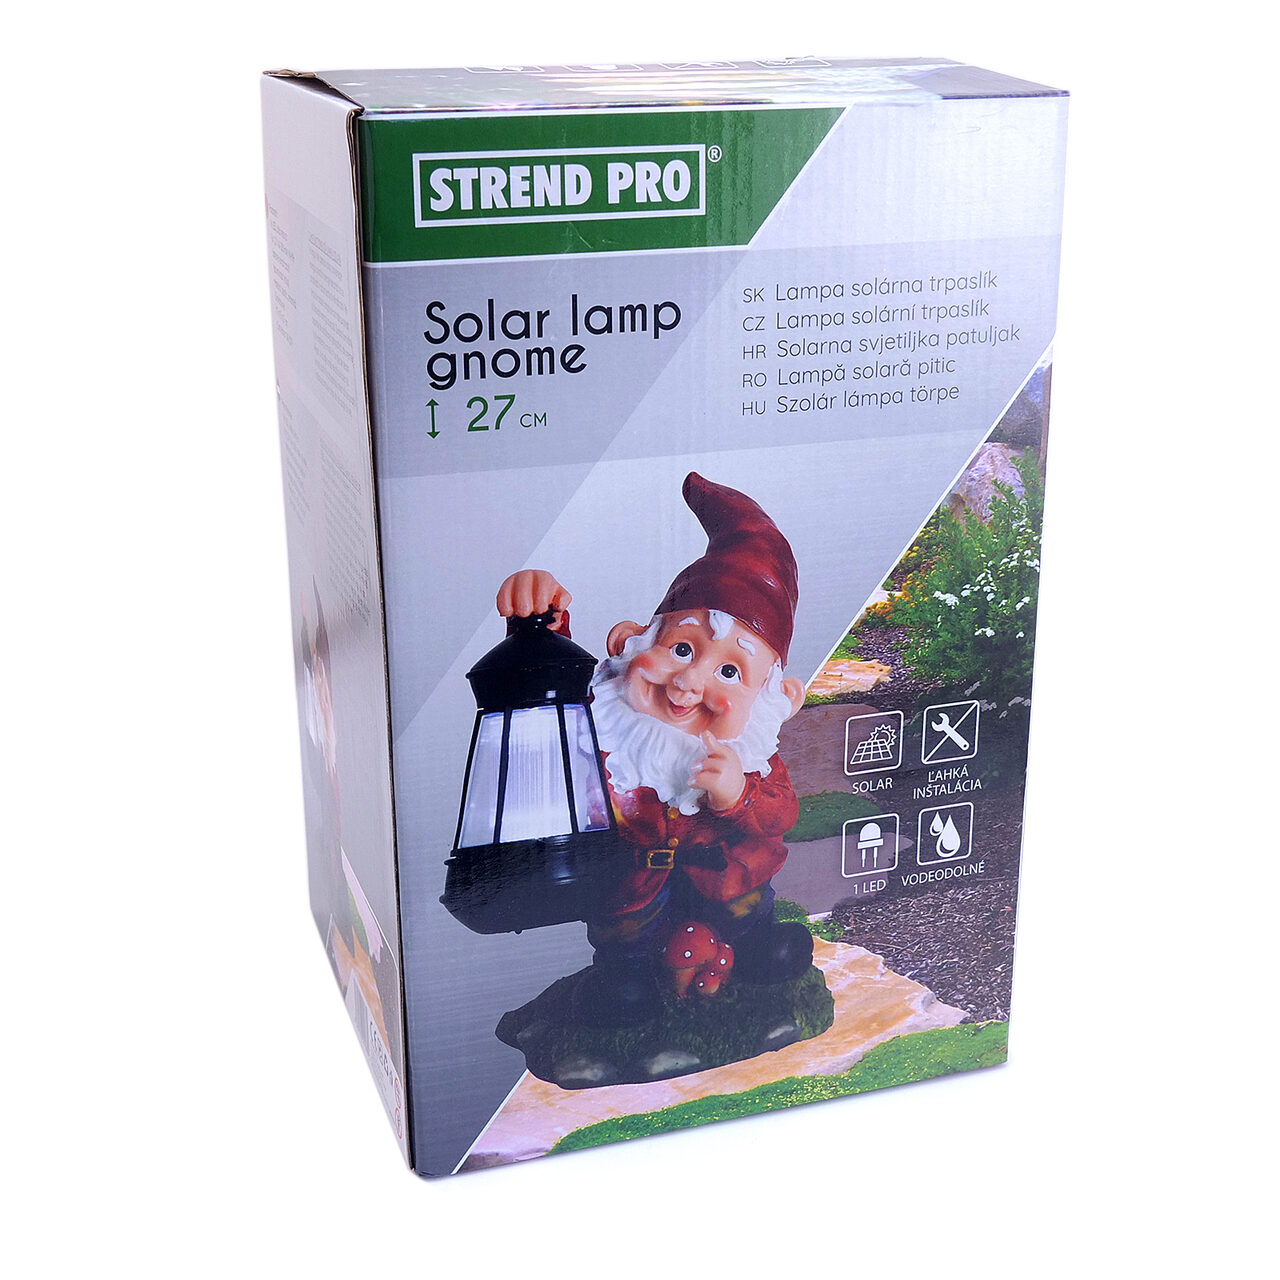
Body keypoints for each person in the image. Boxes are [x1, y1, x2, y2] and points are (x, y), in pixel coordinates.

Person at [496, 473, 814, 1026]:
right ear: (628, 642)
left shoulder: (752, 754)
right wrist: (538, 622)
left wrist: (737, 794)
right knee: (627, 934)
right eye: (682, 648)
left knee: (746, 909)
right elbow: (546, 696)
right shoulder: (605, 726)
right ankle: (627, 975)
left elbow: (779, 814)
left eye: (730, 671)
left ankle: (754, 943)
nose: (688, 682)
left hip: (725, 878)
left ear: (777, 699)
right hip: (629, 887)